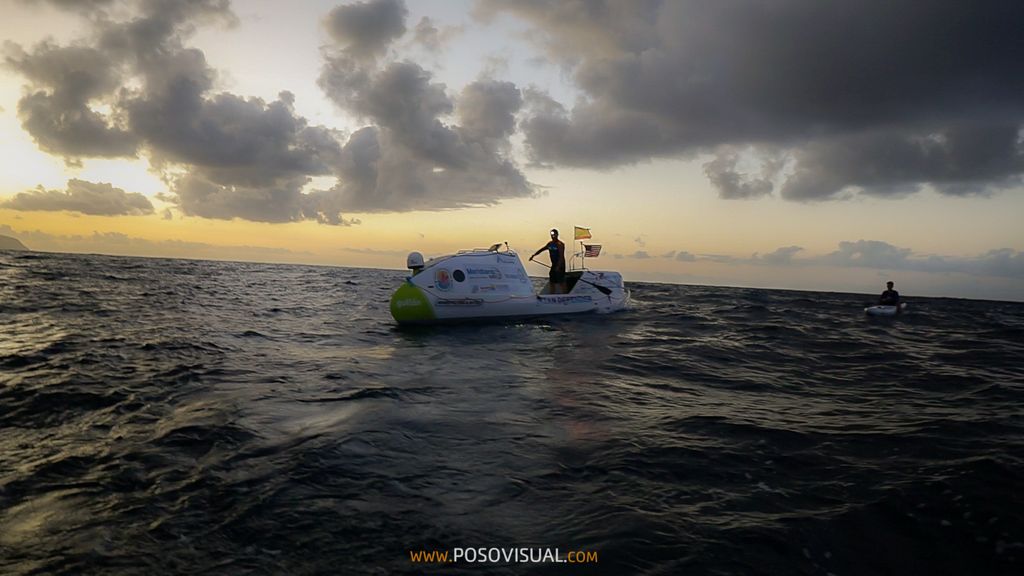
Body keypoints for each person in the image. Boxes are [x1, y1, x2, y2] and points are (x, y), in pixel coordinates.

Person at [530, 228, 566, 293]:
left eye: (554, 235)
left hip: (560, 265)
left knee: (561, 281)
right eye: (551, 235)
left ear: (557, 235)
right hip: (554, 265)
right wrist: (534, 255)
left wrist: (558, 266)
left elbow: (561, 256)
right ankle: (552, 294)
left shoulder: (560, 244)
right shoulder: (550, 244)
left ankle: (565, 295)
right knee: (552, 281)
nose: (553, 236)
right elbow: (542, 249)